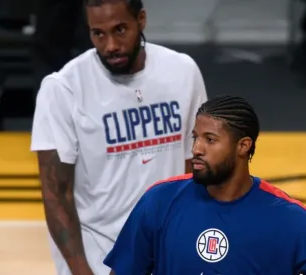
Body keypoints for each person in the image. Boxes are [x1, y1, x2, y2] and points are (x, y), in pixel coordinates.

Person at [29, 0, 208, 274]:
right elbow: (56, 194)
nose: (110, 45)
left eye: (120, 30)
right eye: (98, 33)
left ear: (142, 20)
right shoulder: (63, 89)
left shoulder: (183, 73)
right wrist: (82, 271)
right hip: (96, 257)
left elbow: (192, 169)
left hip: (163, 254)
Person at [103, 95, 306, 275]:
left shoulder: (290, 218)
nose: (196, 149)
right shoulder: (160, 201)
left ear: (243, 146)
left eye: (210, 140)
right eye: (195, 138)